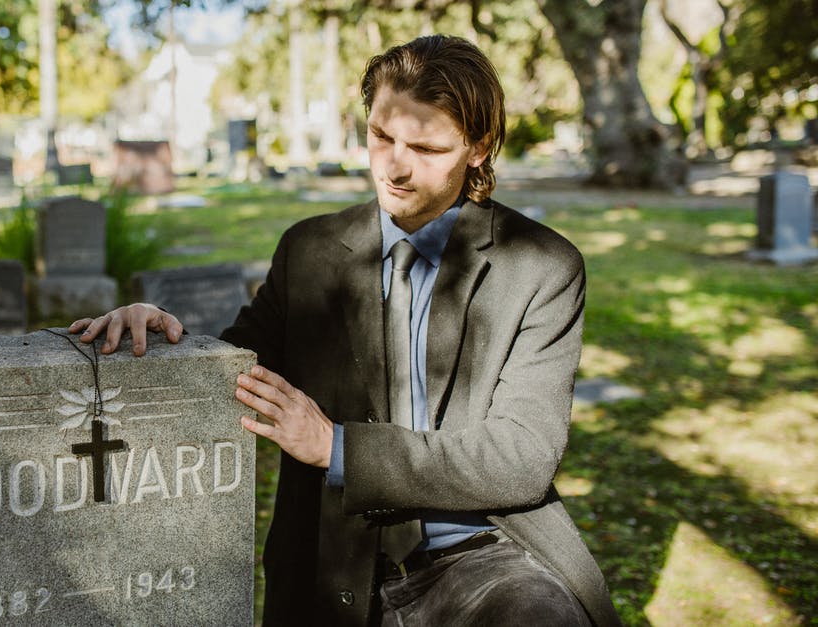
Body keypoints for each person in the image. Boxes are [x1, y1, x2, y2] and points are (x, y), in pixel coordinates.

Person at [71, 35, 620, 627]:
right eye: (381, 136)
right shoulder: (308, 250)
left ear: (479, 147)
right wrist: (163, 331)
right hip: (334, 559)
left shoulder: (542, 266)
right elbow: (236, 369)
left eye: (426, 148)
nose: (395, 167)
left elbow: (521, 456)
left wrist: (335, 446)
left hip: (484, 557)